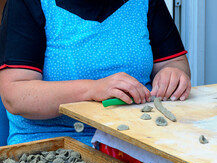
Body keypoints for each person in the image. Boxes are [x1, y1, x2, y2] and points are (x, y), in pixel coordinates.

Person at [0, 0, 191, 146]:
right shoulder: (28, 3)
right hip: (55, 146)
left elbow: (174, 62)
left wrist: (173, 74)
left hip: (140, 140)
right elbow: (16, 95)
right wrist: (92, 89)